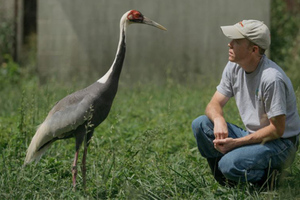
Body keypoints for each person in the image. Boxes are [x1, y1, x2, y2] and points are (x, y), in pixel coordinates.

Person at [192, 20, 300, 186]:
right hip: (253, 135)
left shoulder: (272, 79)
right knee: (200, 124)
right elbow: (213, 105)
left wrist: (235, 143)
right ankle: (227, 182)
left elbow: (277, 129)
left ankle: (272, 180)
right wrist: (219, 120)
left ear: (254, 49)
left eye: (236, 41)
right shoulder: (233, 67)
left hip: (281, 144)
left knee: (229, 163)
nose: (230, 44)